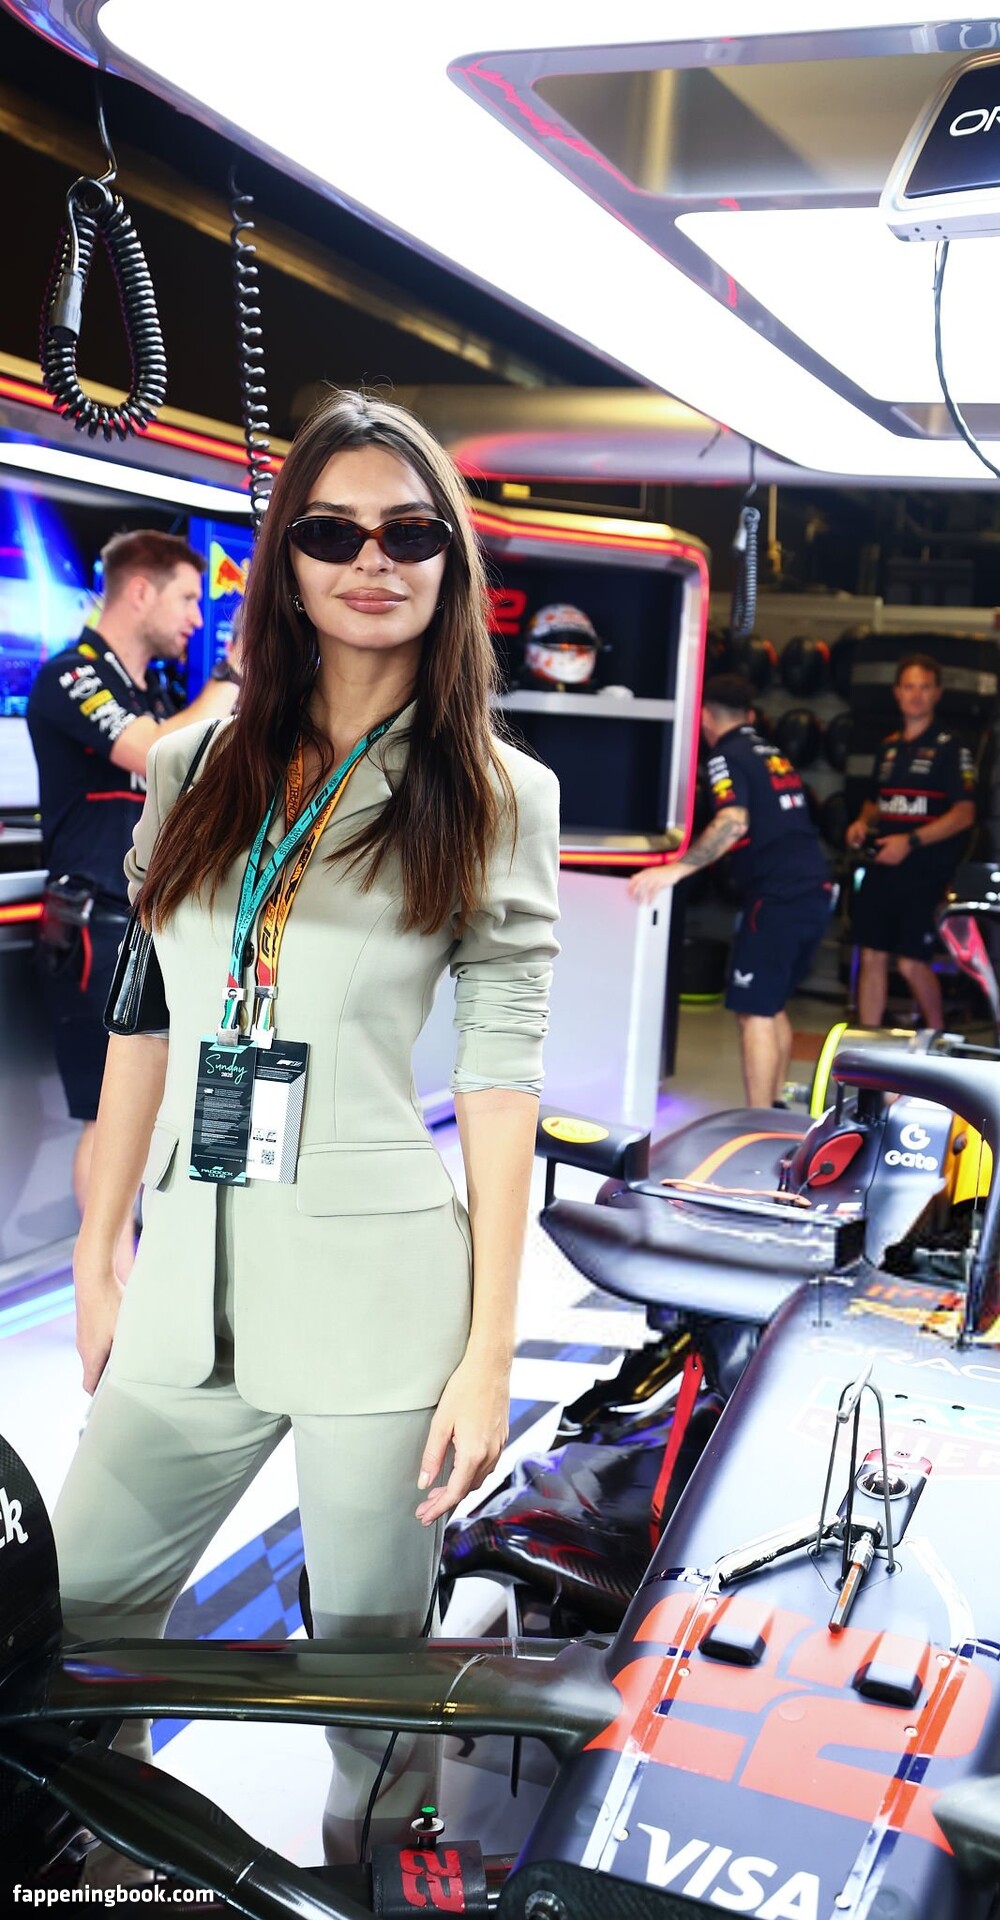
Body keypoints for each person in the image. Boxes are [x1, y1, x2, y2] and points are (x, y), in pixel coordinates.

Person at [56, 391, 561, 1867]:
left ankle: (369, 1888)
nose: (371, 560)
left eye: (408, 533)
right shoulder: (190, 767)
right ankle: (93, 1872)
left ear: (451, 560)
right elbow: (144, 1015)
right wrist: (97, 1250)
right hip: (185, 1284)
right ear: (284, 560)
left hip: (380, 1302)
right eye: (332, 533)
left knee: (369, 1685)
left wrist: (489, 1351)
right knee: (65, 1635)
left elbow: (502, 1084)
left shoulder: (496, 794)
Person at [27, 530, 244, 1280]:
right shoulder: (73, 676)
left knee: (153, 1113)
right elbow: (156, 752)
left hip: (151, 924)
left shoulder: (147, 692)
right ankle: (110, 1290)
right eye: (187, 598)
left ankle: (151, 1283)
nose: (197, 617)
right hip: (93, 924)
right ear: (140, 591)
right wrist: (232, 671)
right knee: (110, 1115)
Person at [630, 672, 829, 1107]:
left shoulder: (727, 755)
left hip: (778, 896)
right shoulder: (770, 752)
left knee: (753, 1011)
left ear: (704, 715)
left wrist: (677, 869)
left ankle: (757, 1123)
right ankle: (774, 1111)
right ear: (750, 714)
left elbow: (734, 820)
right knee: (770, 1005)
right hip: (811, 890)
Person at [845, 653, 976, 1030]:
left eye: (924, 687)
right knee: (871, 954)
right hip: (883, 866)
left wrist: (911, 841)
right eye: (908, 687)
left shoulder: (952, 747)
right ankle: (868, 1042)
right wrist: (862, 822)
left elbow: (964, 814)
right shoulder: (888, 747)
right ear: (897, 693)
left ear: (937, 694)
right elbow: (877, 799)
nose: (915, 695)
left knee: (910, 962)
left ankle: (937, 1039)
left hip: (925, 871)